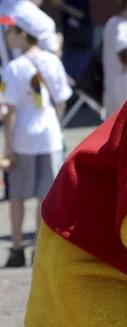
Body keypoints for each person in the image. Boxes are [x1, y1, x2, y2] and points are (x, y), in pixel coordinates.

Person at [0, 3, 72, 267]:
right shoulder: (53, 61)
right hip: (50, 136)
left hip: (22, 138)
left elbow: (8, 110)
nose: (7, 35)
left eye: (10, 30)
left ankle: (17, 247)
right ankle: (41, 248)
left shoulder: (14, 67)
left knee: (18, 196)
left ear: (22, 33)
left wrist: (6, 147)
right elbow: (62, 100)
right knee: (46, 196)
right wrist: (58, 126)